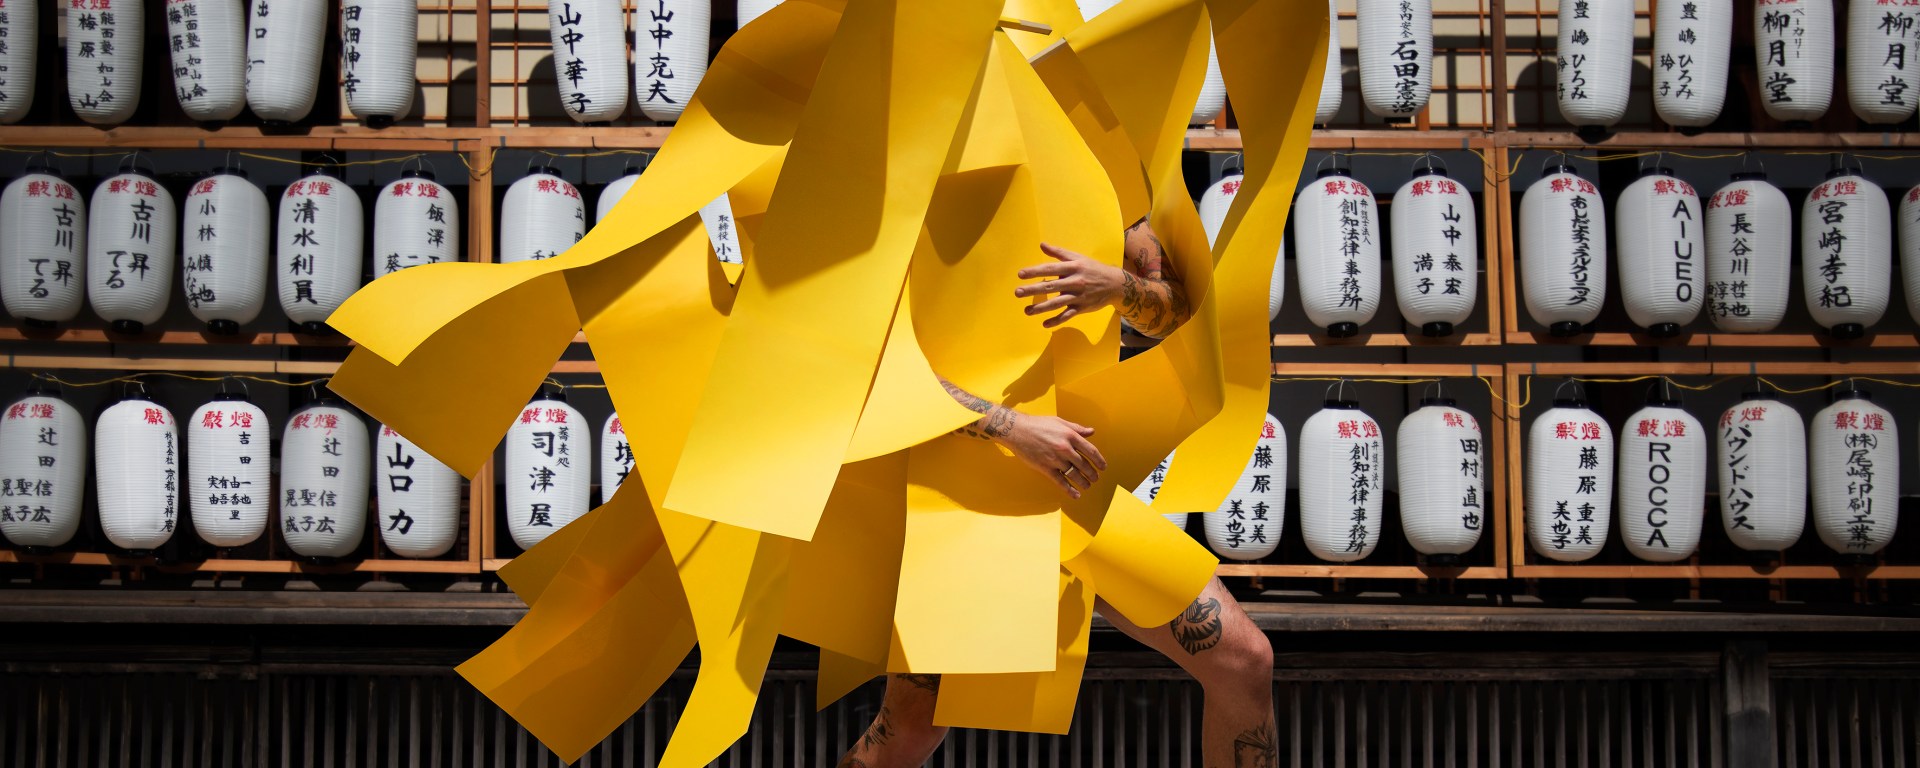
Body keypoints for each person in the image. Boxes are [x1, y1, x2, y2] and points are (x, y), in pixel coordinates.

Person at [838, 218, 1278, 768]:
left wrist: (1118, 288)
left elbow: (1182, 315)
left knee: (1243, 659)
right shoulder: (930, 177)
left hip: (1081, 493)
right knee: (909, 728)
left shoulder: (1108, 184)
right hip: (964, 498)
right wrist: (1011, 427)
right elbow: (868, 360)